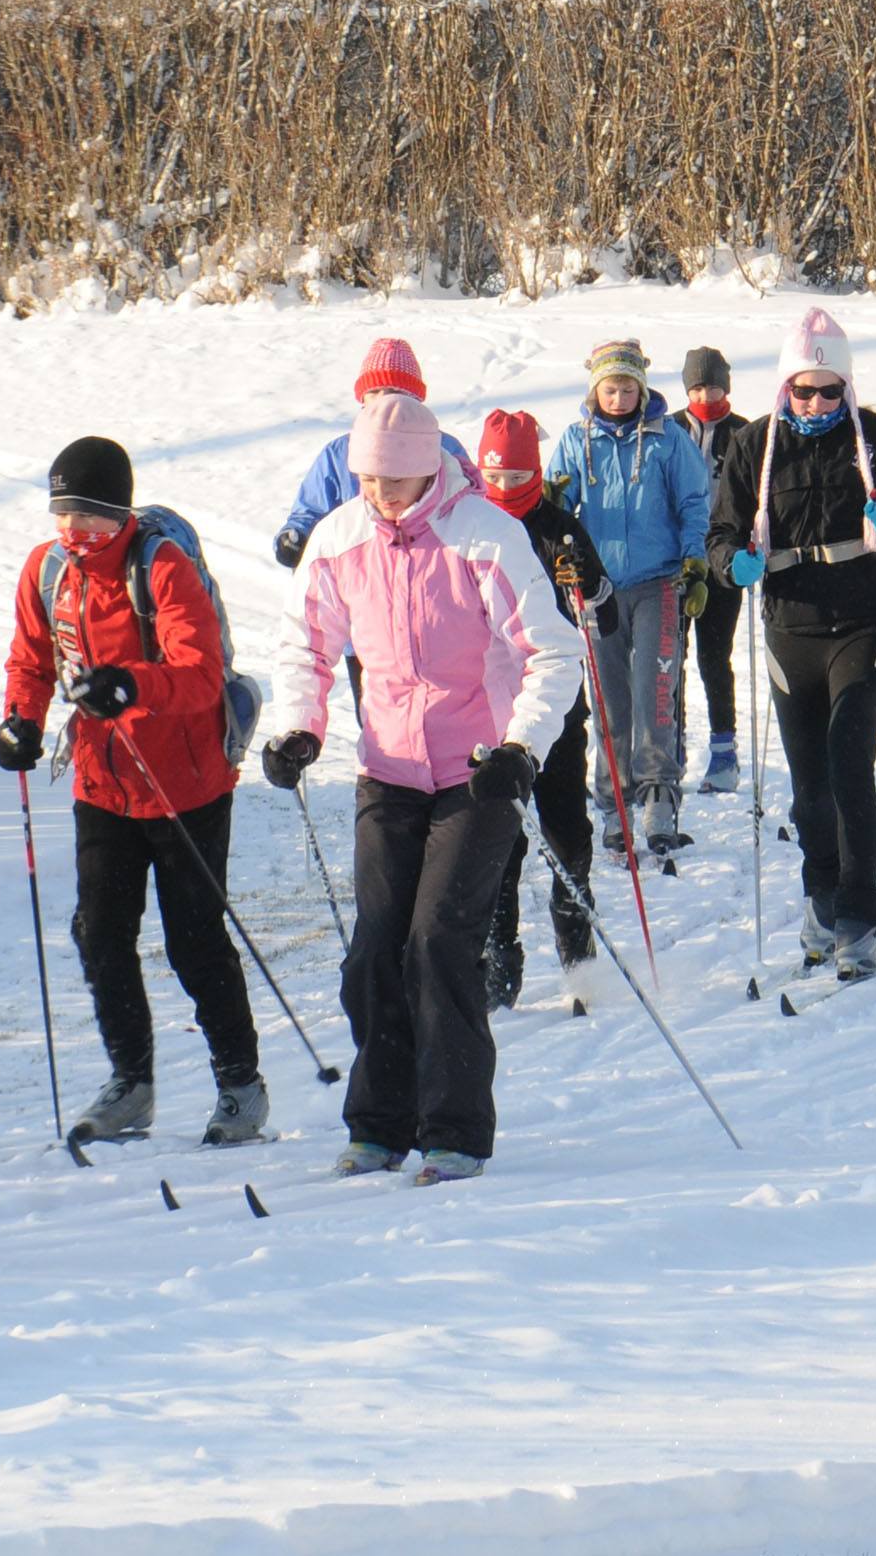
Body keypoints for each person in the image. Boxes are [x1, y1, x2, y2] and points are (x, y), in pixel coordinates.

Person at [263, 394, 580, 1185]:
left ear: (430, 470)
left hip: (479, 772)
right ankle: (378, 1125)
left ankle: (455, 1132)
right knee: (374, 953)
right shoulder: (341, 541)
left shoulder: (485, 538)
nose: (381, 495)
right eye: (369, 479)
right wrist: (298, 726)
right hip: (389, 771)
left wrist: (521, 746)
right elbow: (303, 644)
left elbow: (554, 652)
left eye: (396, 481)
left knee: (437, 941)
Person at [0, 436, 268, 1149]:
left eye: (89, 519)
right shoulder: (48, 570)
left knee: (194, 942)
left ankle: (240, 1085)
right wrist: (20, 723)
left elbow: (201, 674)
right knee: (101, 934)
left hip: (187, 785)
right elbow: (31, 658)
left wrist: (129, 683)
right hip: (102, 783)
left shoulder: (163, 569)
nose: (74, 533)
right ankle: (132, 1084)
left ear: (120, 515)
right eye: (63, 516)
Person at [709, 307, 876, 978]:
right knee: (810, 786)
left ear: (847, 387)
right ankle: (821, 898)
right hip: (790, 629)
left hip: (868, 625)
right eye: (803, 389)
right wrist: (732, 565)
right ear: (784, 387)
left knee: (847, 763)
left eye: (829, 389)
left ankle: (858, 917)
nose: (815, 402)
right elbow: (720, 535)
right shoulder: (756, 445)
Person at [474, 409, 619, 1010]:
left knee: (566, 838)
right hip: (490, 713)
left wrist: (585, 582)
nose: (506, 490)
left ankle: (578, 962)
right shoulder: (470, 527)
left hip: (557, 707)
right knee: (499, 847)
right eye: (496, 477)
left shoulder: (561, 528)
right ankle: (499, 962)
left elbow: (606, 618)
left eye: (518, 477)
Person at [549, 339, 711, 859]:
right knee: (610, 701)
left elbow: (693, 500)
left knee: (655, 691)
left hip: (659, 581)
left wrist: (694, 559)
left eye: (627, 388)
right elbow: (559, 509)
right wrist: (557, 529)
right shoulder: (577, 441)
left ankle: (659, 795)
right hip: (598, 590)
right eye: (609, 388)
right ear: (594, 389)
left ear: (642, 388)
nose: (618, 397)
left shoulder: (668, 440)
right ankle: (615, 804)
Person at [270, 337, 476, 709]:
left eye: (396, 393)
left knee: (446, 713)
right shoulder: (339, 454)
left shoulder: (444, 450)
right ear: (362, 398)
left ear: (415, 401)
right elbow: (311, 511)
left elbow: (473, 504)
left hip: (435, 610)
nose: (385, 402)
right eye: (376, 391)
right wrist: (295, 537)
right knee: (381, 718)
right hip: (363, 615)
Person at [670, 346, 751, 795]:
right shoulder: (671, 430)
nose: (706, 393)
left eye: (713, 385)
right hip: (678, 558)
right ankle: (672, 743)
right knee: (670, 658)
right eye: (697, 386)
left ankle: (724, 751)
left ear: (727, 386)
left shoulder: (744, 432)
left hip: (722, 559)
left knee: (713, 656)